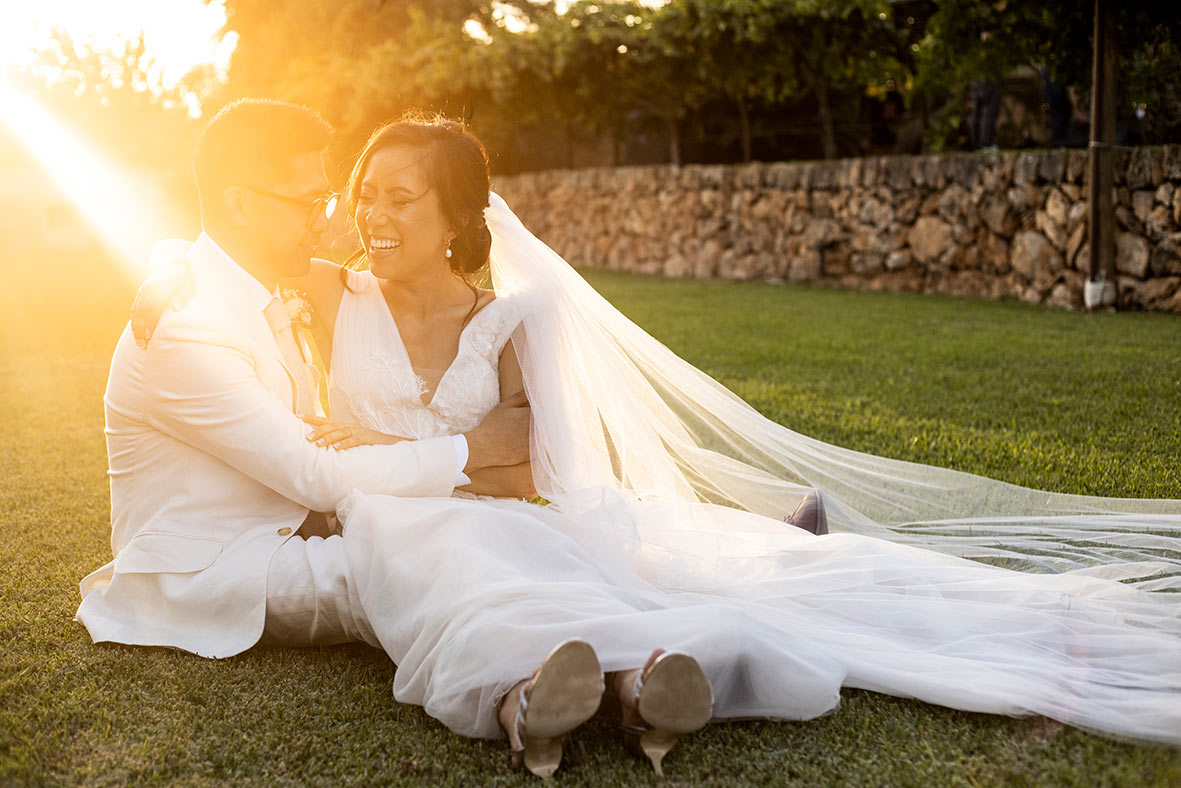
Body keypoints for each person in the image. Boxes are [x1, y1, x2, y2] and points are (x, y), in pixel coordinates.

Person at [129, 112, 1181, 777]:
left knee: (519, 562)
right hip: (403, 513)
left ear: (457, 214)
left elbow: (525, 461)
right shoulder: (325, 287)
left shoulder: (512, 315)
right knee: (454, 560)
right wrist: (168, 259)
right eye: (362, 193)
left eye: (393, 196)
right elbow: (224, 237)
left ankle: (614, 681)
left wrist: (453, 452)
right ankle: (614, 683)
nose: (365, 211)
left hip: (470, 514)